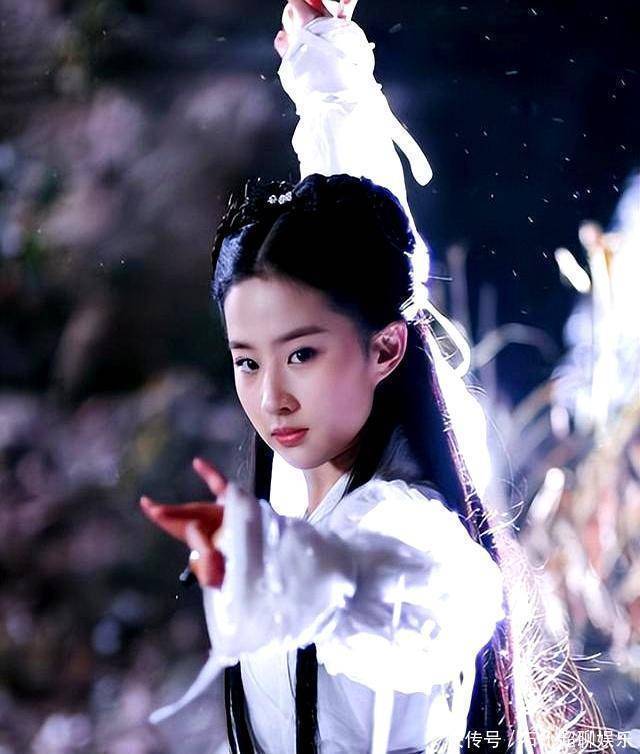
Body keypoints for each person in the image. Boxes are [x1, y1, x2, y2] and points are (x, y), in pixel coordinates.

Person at [140, 2, 616, 753]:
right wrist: (327, 71)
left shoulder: (406, 515)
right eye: (247, 361)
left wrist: (307, 574)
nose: (271, 397)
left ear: (386, 349)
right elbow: (361, 233)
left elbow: (437, 597)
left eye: (301, 355)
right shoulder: (312, 461)